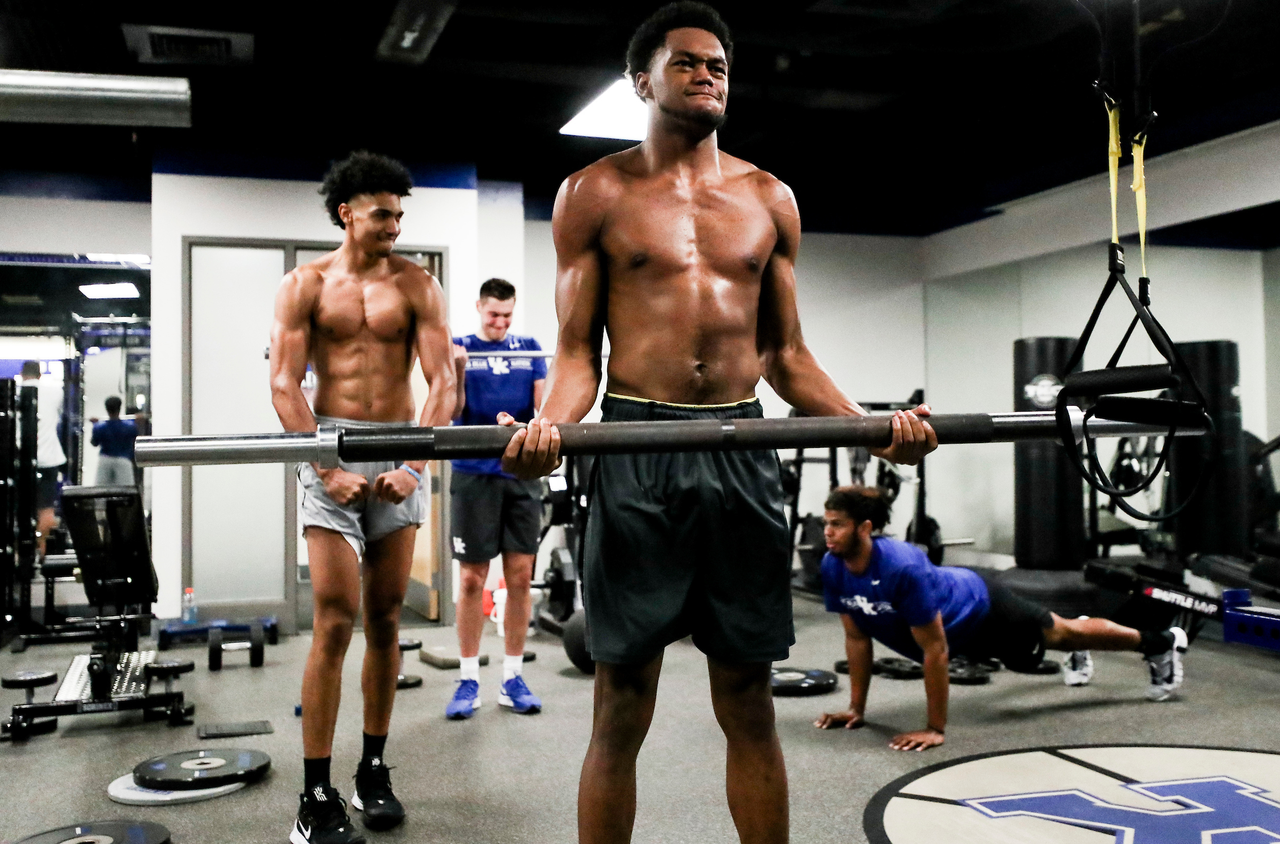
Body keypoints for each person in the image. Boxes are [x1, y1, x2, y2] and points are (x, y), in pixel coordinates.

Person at [499, 5, 935, 842]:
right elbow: (577, 355)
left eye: (719, 66)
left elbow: (786, 356)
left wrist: (868, 426)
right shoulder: (594, 193)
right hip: (638, 445)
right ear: (642, 81)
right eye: (688, 62)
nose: (708, 76)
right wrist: (546, 431)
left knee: (748, 696)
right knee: (622, 702)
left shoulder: (769, 197)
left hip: (742, 444)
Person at [269, 150, 455, 844]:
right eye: (382, 214)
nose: (395, 226)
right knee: (333, 617)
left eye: (400, 215)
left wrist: (415, 465)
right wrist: (325, 467)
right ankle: (314, 793)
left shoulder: (418, 285)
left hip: (400, 449)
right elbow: (284, 385)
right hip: (332, 446)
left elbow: (444, 382)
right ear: (346, 213)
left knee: (384, 618)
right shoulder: (305, 285)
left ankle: (372, 770)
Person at [813, 485, 1189, 752]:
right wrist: (856, 710)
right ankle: (1083, 644)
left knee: (1063, 634)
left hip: (980, 607)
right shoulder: (833, 566)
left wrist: (934, 728)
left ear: (865, 528)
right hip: (959, 634)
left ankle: (1161, 644)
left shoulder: (900, 568)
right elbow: (857, 639)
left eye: (838, 524)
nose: (827, 533)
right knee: (1032, 655)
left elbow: (935, 650)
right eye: (827, 523)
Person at [446, 278, 547, 719]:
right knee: (472, 579)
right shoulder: (460, 348)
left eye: (507, 315)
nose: (501, 323)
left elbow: (543, 411)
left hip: (520, 473)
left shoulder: (530, 349)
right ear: (479, 308)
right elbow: (453, 410)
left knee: (520, 577)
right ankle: (468, 679)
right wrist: (458, 370)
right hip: (474, 474)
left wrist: (522, 424)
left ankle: (512, 678)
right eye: (493, 315)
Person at [19, 361, 66, 557]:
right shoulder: (55, 392)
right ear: (40, 375)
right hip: (48, 459)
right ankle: (43, 552)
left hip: (21, 458)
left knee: (20, 506)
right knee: (46, 508)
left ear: (22, 375)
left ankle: (22, 552)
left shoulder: (16, 392)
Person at [89, 396, 140, 486]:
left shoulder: (100, 427)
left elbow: (94, 443)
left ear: (106, 409)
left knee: (101, 490)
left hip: (105, 460)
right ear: (119, 408)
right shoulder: (130, 427)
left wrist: (94, 425)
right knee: (126, 490)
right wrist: (139, 423)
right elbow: (136, 441)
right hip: (123, 460)